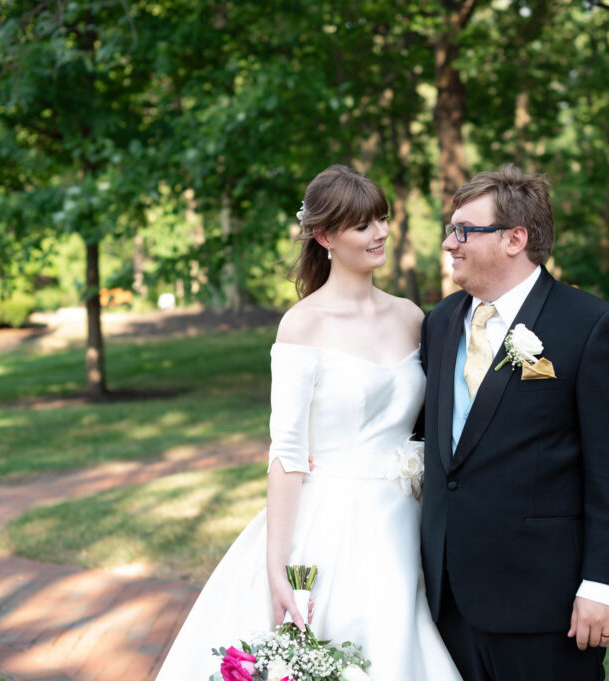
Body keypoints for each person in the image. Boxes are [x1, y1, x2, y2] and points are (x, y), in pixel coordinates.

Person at [155, 165, 462, 681]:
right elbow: (288, 452)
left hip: (405, 519)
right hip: (332, 518)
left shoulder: (412, 315)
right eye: (363, 225)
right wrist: (277, 565)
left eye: (383, 219)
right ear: (324, 237)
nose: (381, 233)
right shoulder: (303, 325)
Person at [418, 164, 609, 681]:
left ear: (514, 239)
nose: (449, 244)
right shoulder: (440, 322)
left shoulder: (590, 327)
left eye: (463, 231)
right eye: (450, 230)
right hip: (446, 594)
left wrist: (603, 586)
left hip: (544, 601)